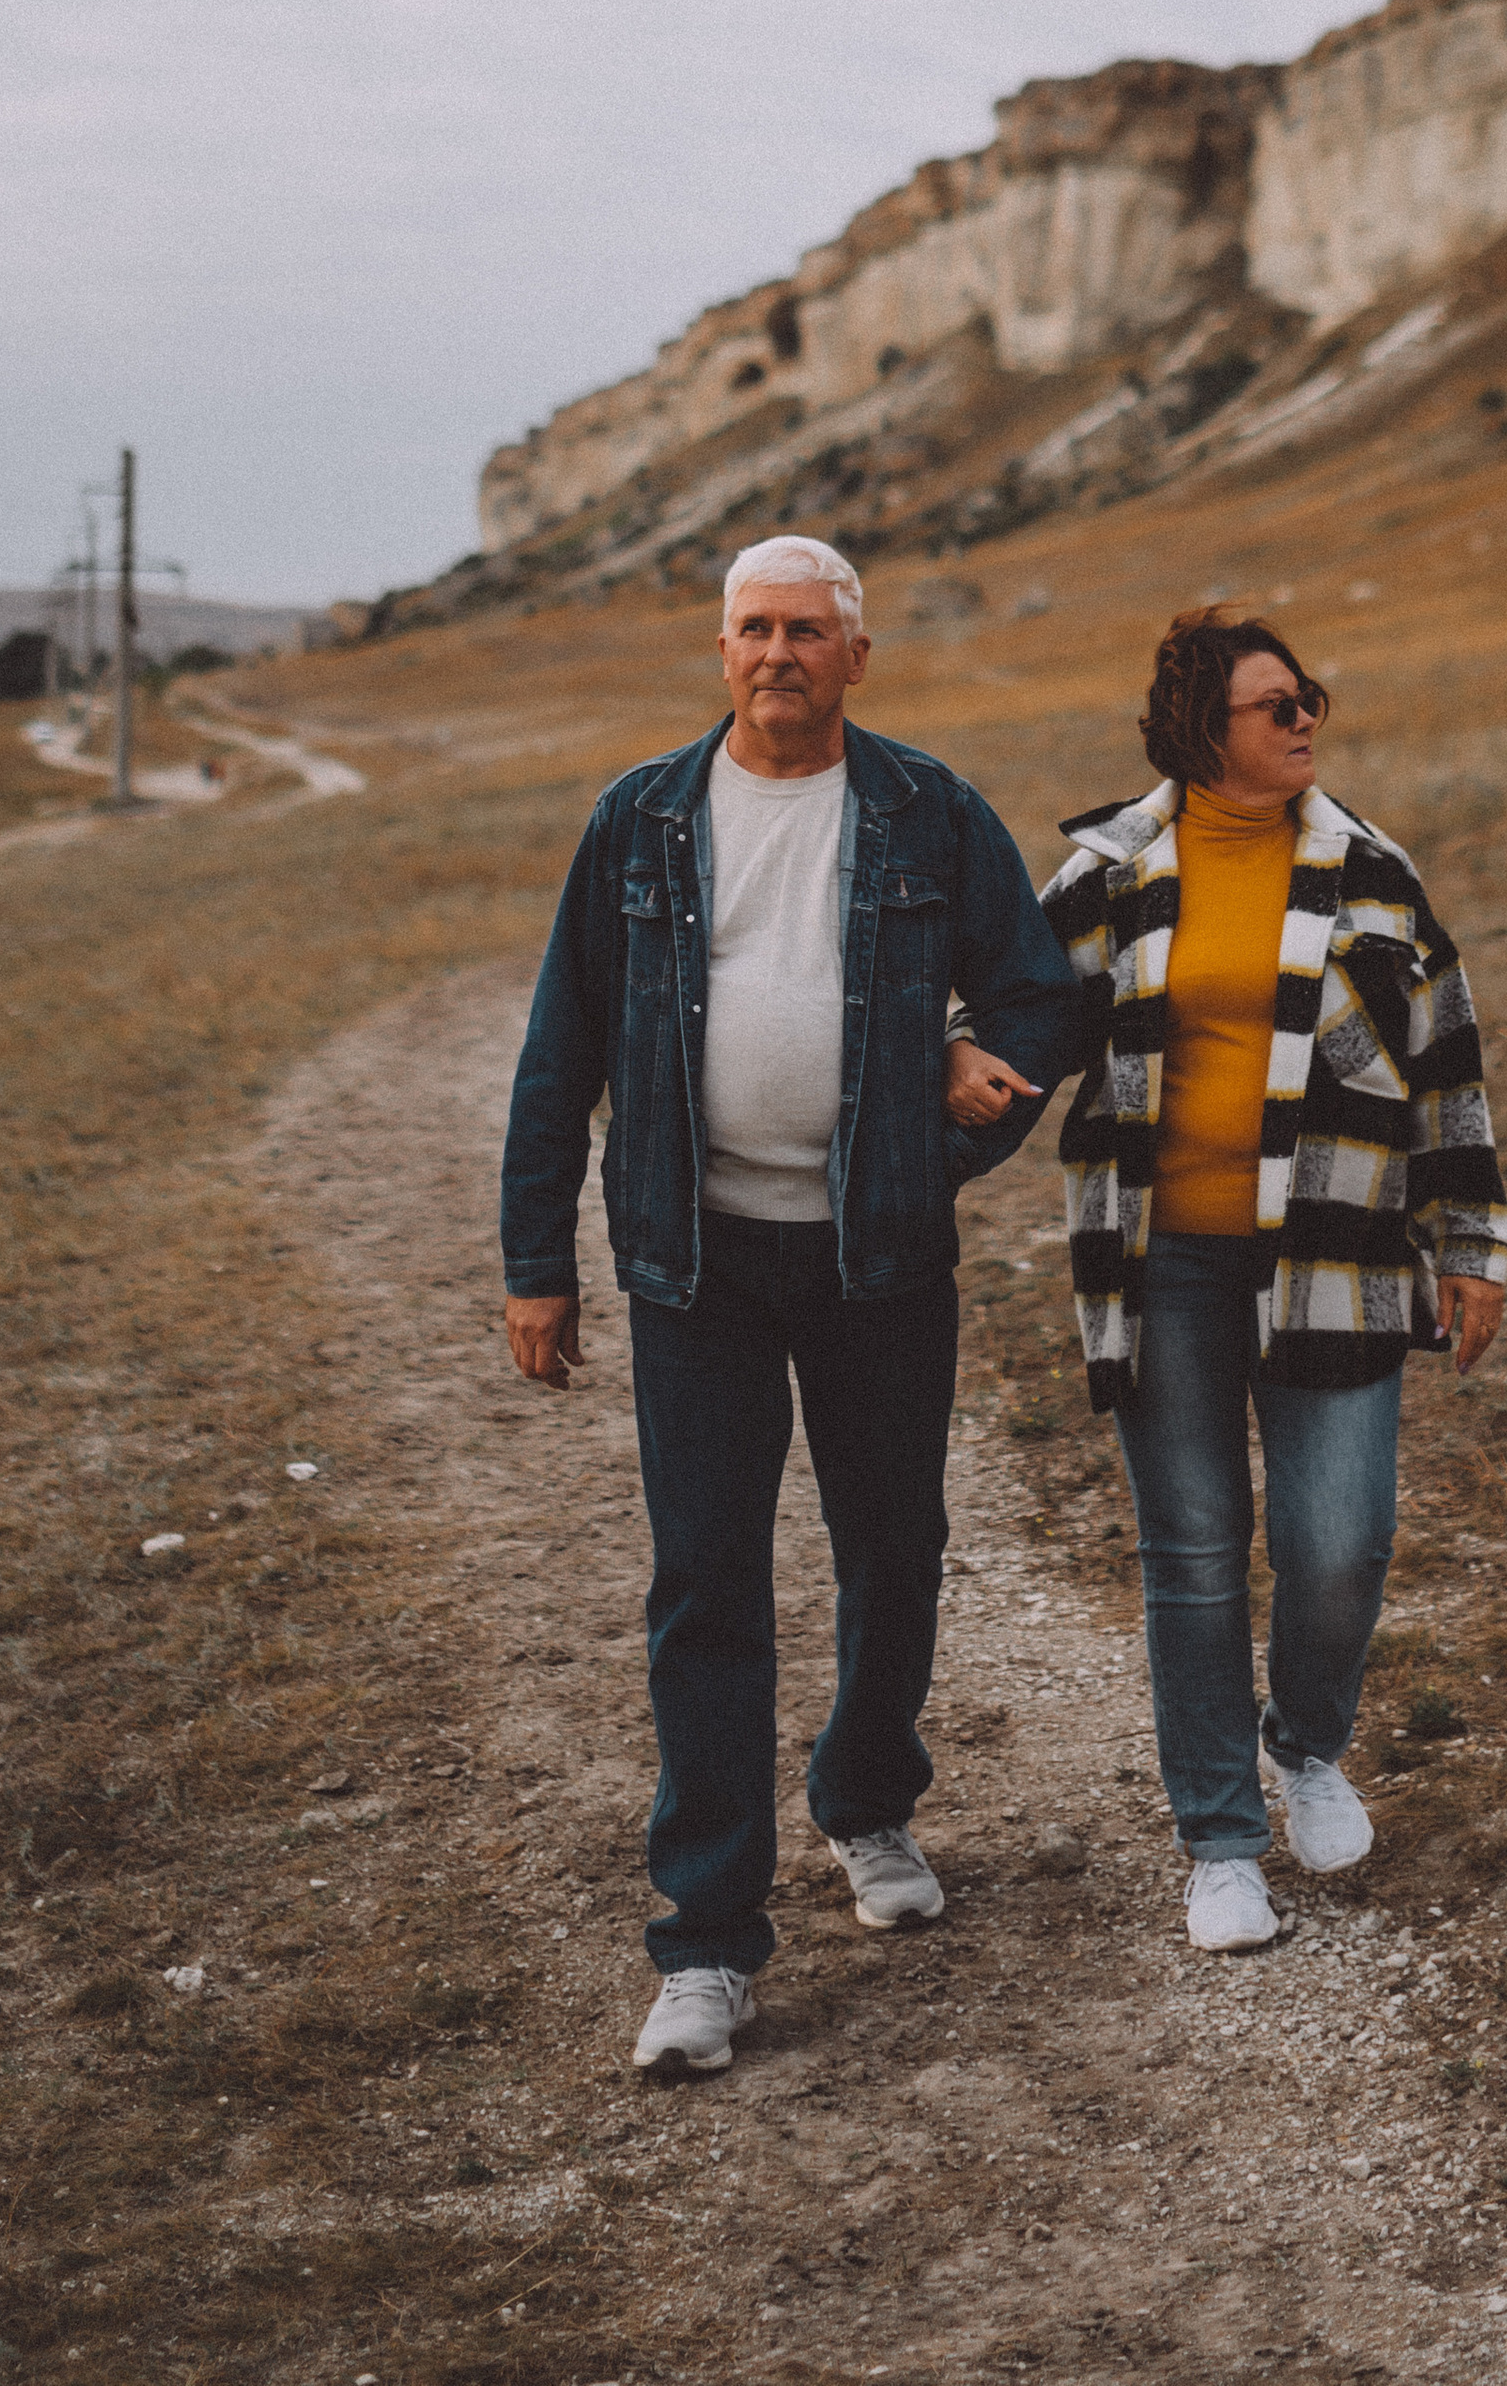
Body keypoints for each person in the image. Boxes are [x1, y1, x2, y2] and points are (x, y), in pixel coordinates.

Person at [500, 534, 1090, 2079]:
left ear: (855, 656)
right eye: (753, 630)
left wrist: (960, 1106)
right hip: (696, 1265)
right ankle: (705, 1945)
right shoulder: (641, 818)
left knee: (896, 1549)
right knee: (708, 1585)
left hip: (875, 1252)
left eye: (808, 632)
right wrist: (536, 1260)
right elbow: (563, 1045)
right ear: (720, 654)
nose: (779, 655)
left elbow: (1037, 996)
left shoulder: (924, 809)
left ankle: (870, 1801)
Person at [1034, 606, 1507, 1951]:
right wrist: (959, 1060)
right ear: (1203, 728)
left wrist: (1471, 1250)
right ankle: (1220, 1839)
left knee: (1337, 1543)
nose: (1305, 721)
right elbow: (1009, 1007)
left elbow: (1448, 1069)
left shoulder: (1370, 870)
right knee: (1191, 1556)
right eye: (1274, 705)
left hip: (1339, 1252)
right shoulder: (1116, 871)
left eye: (1309, 699)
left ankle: (1306, 1748)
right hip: (1161, 1259)